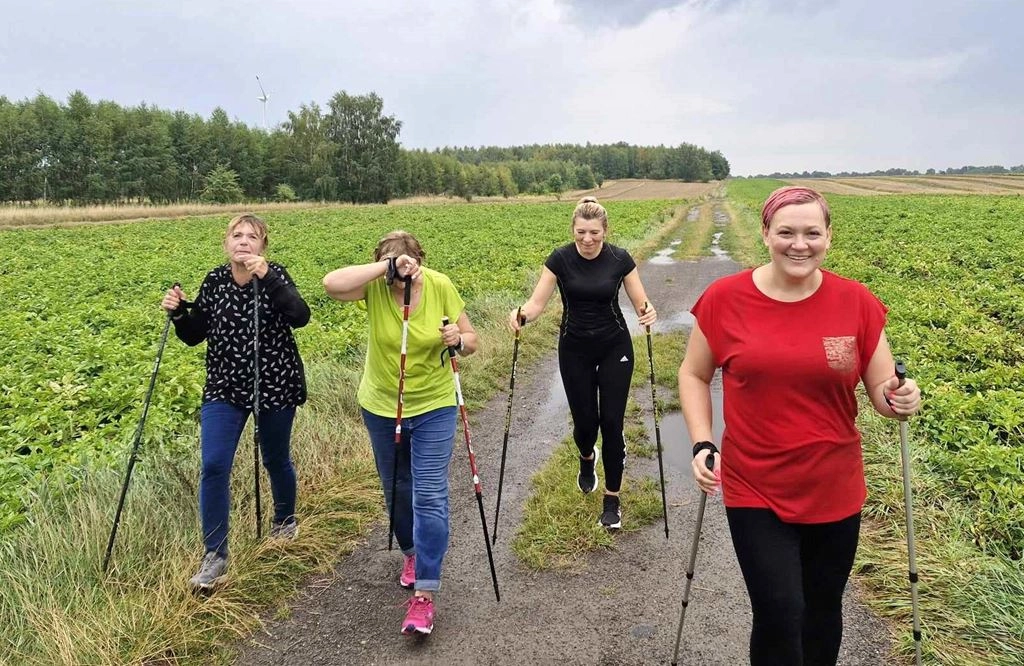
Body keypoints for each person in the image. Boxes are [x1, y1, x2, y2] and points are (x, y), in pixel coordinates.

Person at [677, 186, 922, 665]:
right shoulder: (725, 299)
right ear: (766, 233)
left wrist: (900, 398)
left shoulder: (857, 303)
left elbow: (882, 391)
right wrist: (702, 442)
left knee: (822, 609)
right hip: (755, 486)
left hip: (834, 486)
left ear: (828, 236)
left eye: (812, 232)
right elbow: (694, 373)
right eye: (786, 232)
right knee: (780, 610)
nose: (799, 243)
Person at [322, 230, 478, 636]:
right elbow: (330, 284)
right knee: (396, 487)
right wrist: (384, 269)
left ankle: (425, 593)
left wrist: (458, 340)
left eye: (406, 261)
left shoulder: (440, 285)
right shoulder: (373, 288)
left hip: (433, 405)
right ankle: (410, 552)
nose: (400, 269)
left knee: (429, 492)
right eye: (392, 263)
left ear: (420, 260)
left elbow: (473, 340)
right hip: (380, 405)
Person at [161, 213, 310, 592]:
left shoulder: (275, 275)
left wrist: (268, 277)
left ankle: (284, 520)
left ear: (263, 246)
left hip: (274, 382)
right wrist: (180, 313)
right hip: (224, 387)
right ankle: (215, 556)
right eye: (236, 235)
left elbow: (300, 315)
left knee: (275, 457)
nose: (243, 242)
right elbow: (196, 334)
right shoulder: (214, 280)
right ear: (226, 243)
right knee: (213, 465)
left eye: (252, 237)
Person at [510, 196, 657, 529]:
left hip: (614, 346)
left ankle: (612, 500)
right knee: (585, 424)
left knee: (612, 424)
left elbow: (640, 301)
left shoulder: (620, 259)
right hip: (574, 348)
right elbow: (536, 304)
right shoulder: (559, 259)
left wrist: (648, 311)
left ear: (605, 230)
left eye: (594, 233)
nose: (587, 240)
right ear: (573, 231)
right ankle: (586, 458)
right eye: (581, 233)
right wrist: (521, 315)